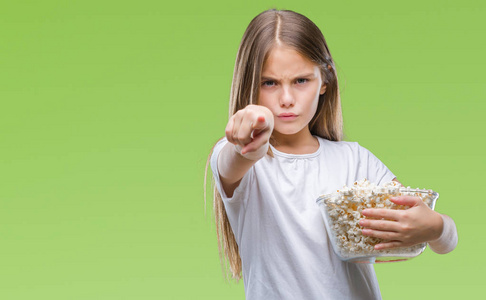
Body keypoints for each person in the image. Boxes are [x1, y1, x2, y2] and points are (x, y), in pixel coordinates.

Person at [207, 9, 457, 299]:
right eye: (269, 83)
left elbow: (443, 239)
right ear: (250, 85)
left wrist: (439, 228)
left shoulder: (354, 160)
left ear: (324, 81)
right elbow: (234, 159)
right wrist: (249, 138)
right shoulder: (242, 160)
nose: (286, 100)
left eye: (301, 81)